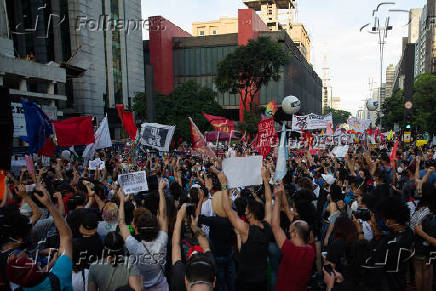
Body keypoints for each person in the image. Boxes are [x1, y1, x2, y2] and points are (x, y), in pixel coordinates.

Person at [5, 184, 73, 291]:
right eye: (28, 260)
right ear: (19, 239)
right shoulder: (57, 280)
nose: (31, 259)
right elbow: (66, 236)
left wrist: (43, 254)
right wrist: (49, 204)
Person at [219, 168, 272, 291]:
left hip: (246, 281)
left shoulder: (245, 230)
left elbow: (227, 209)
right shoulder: (267, 226)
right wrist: (265, 179)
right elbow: (269, 201)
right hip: (262, 279)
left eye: (247, 211)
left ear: (251, 214)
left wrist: (223, 184)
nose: (246, 213)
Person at [118, 180, 169, 291]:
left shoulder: (134, 246)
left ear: (136, 229)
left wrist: (121, 201)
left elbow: (121, 223)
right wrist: (161, 191)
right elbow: (163, 216)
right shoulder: (162, 240)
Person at [271, 182, 315, 291]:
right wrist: (282, 192)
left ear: (294, 233)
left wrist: (277, 199)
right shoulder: (311, 251)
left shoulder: (292, 251)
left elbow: (275, 227)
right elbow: (286, 208)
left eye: (290, 232)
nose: (289, 234)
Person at [171, 203, 216, 291]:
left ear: (186, 283)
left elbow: (175, 245)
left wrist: (179, 218)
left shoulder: (180, 281)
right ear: (214, 282)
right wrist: (195, 227)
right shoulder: (211, 266)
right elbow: (206, 246)